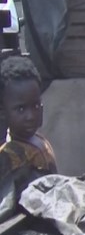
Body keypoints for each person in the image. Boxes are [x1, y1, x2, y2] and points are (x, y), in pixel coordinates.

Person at [0, 56, 57, 186]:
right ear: (3, 112)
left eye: (36, 106)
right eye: (21, 109)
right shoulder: (8, 158)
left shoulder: (39, 141)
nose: (30, 116)